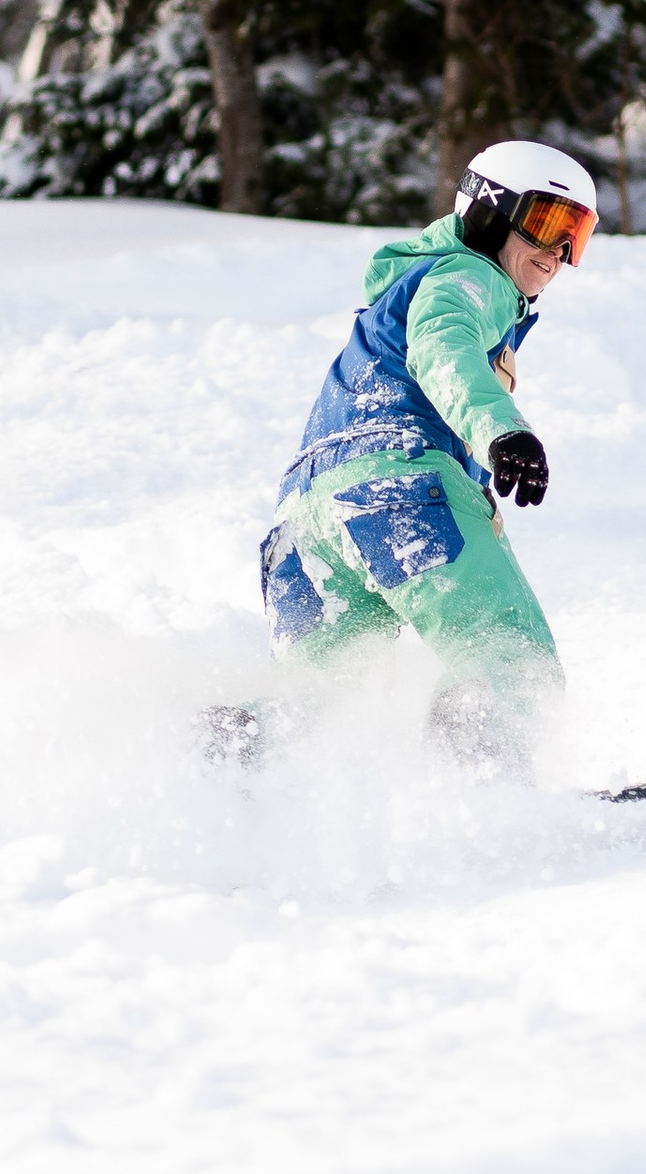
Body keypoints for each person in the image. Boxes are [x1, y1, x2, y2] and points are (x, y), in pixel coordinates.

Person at [256, 138, 600, 766]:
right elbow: (444, 350)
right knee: (506, 649)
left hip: (304, 527)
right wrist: (502, 430)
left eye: (577, 234)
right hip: (398, 493)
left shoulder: (405, 290)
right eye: (548, 223)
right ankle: (483, 793)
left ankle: (237, 777)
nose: (559, 252)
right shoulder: (470, 276)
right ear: (491, 210)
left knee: (317, 705)